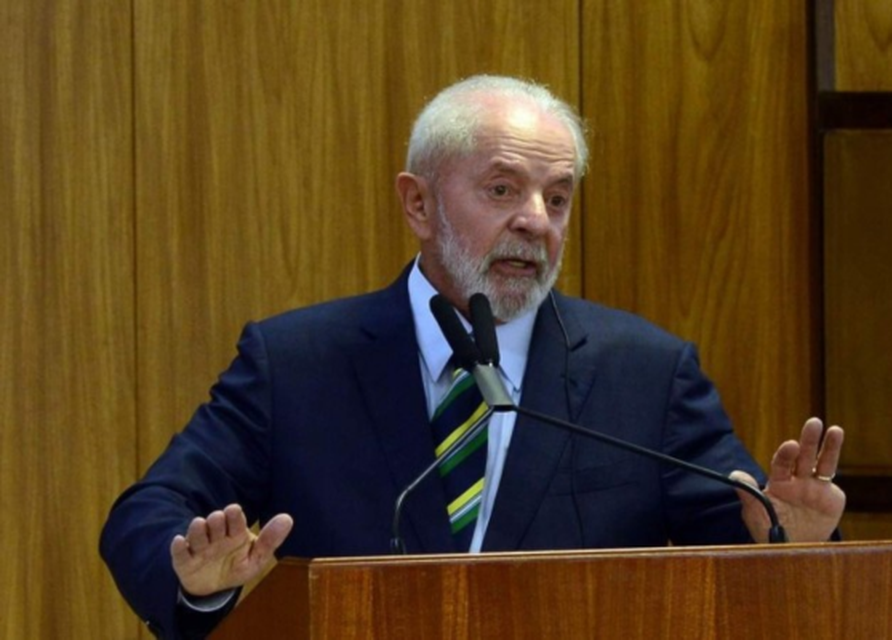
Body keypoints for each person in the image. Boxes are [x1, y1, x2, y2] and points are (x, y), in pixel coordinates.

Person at [100, 75, 845, 639]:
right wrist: (194, 578)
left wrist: (798, 545)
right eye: (502, 189)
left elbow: (750, 543)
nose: (535, 222)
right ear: (418, 204)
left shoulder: (644, 372)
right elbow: (145, 514)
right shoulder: (296, 363)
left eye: (557, 199)